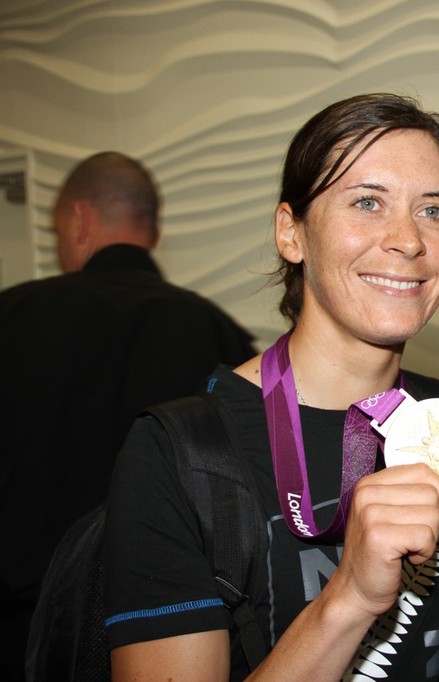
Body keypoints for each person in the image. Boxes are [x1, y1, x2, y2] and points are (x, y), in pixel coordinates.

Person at [101, 93, 439, 680]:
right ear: (291, 233)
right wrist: (347, 599)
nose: (408, 239)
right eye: (368, 202)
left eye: (435, 210)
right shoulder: (181, 453)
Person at [0, 151, 255, 680]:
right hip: (187, 635)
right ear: (153, 233)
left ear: (79, 220)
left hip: (19, 634)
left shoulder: (11, 319)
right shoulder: (223, 338)